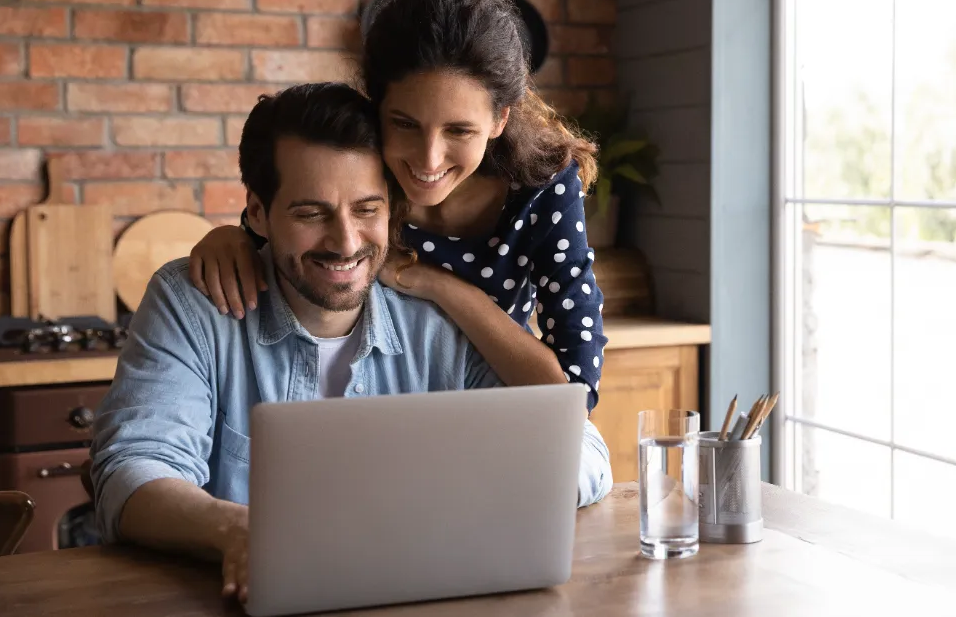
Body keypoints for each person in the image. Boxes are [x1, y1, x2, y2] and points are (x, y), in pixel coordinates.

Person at [89, 83, 612, 605]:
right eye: (310, 214)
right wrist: (235, 530)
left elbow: (582, 449)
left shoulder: (439, 322)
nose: (345, 242)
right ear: (256, 212)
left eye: (366, 209)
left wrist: (480, 499)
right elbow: (131, 471)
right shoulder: (192, 303)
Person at [186, 0, 608, 414]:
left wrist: (438, 286)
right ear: (376, 108)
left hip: (498, 415)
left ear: (500, 119)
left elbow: (574, 394)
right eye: (404, 124)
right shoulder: (364, 166)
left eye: (459, 130)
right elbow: (271, 227)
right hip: (381, 408)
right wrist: (226, 237)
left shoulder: (543, 187)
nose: (428, 159)